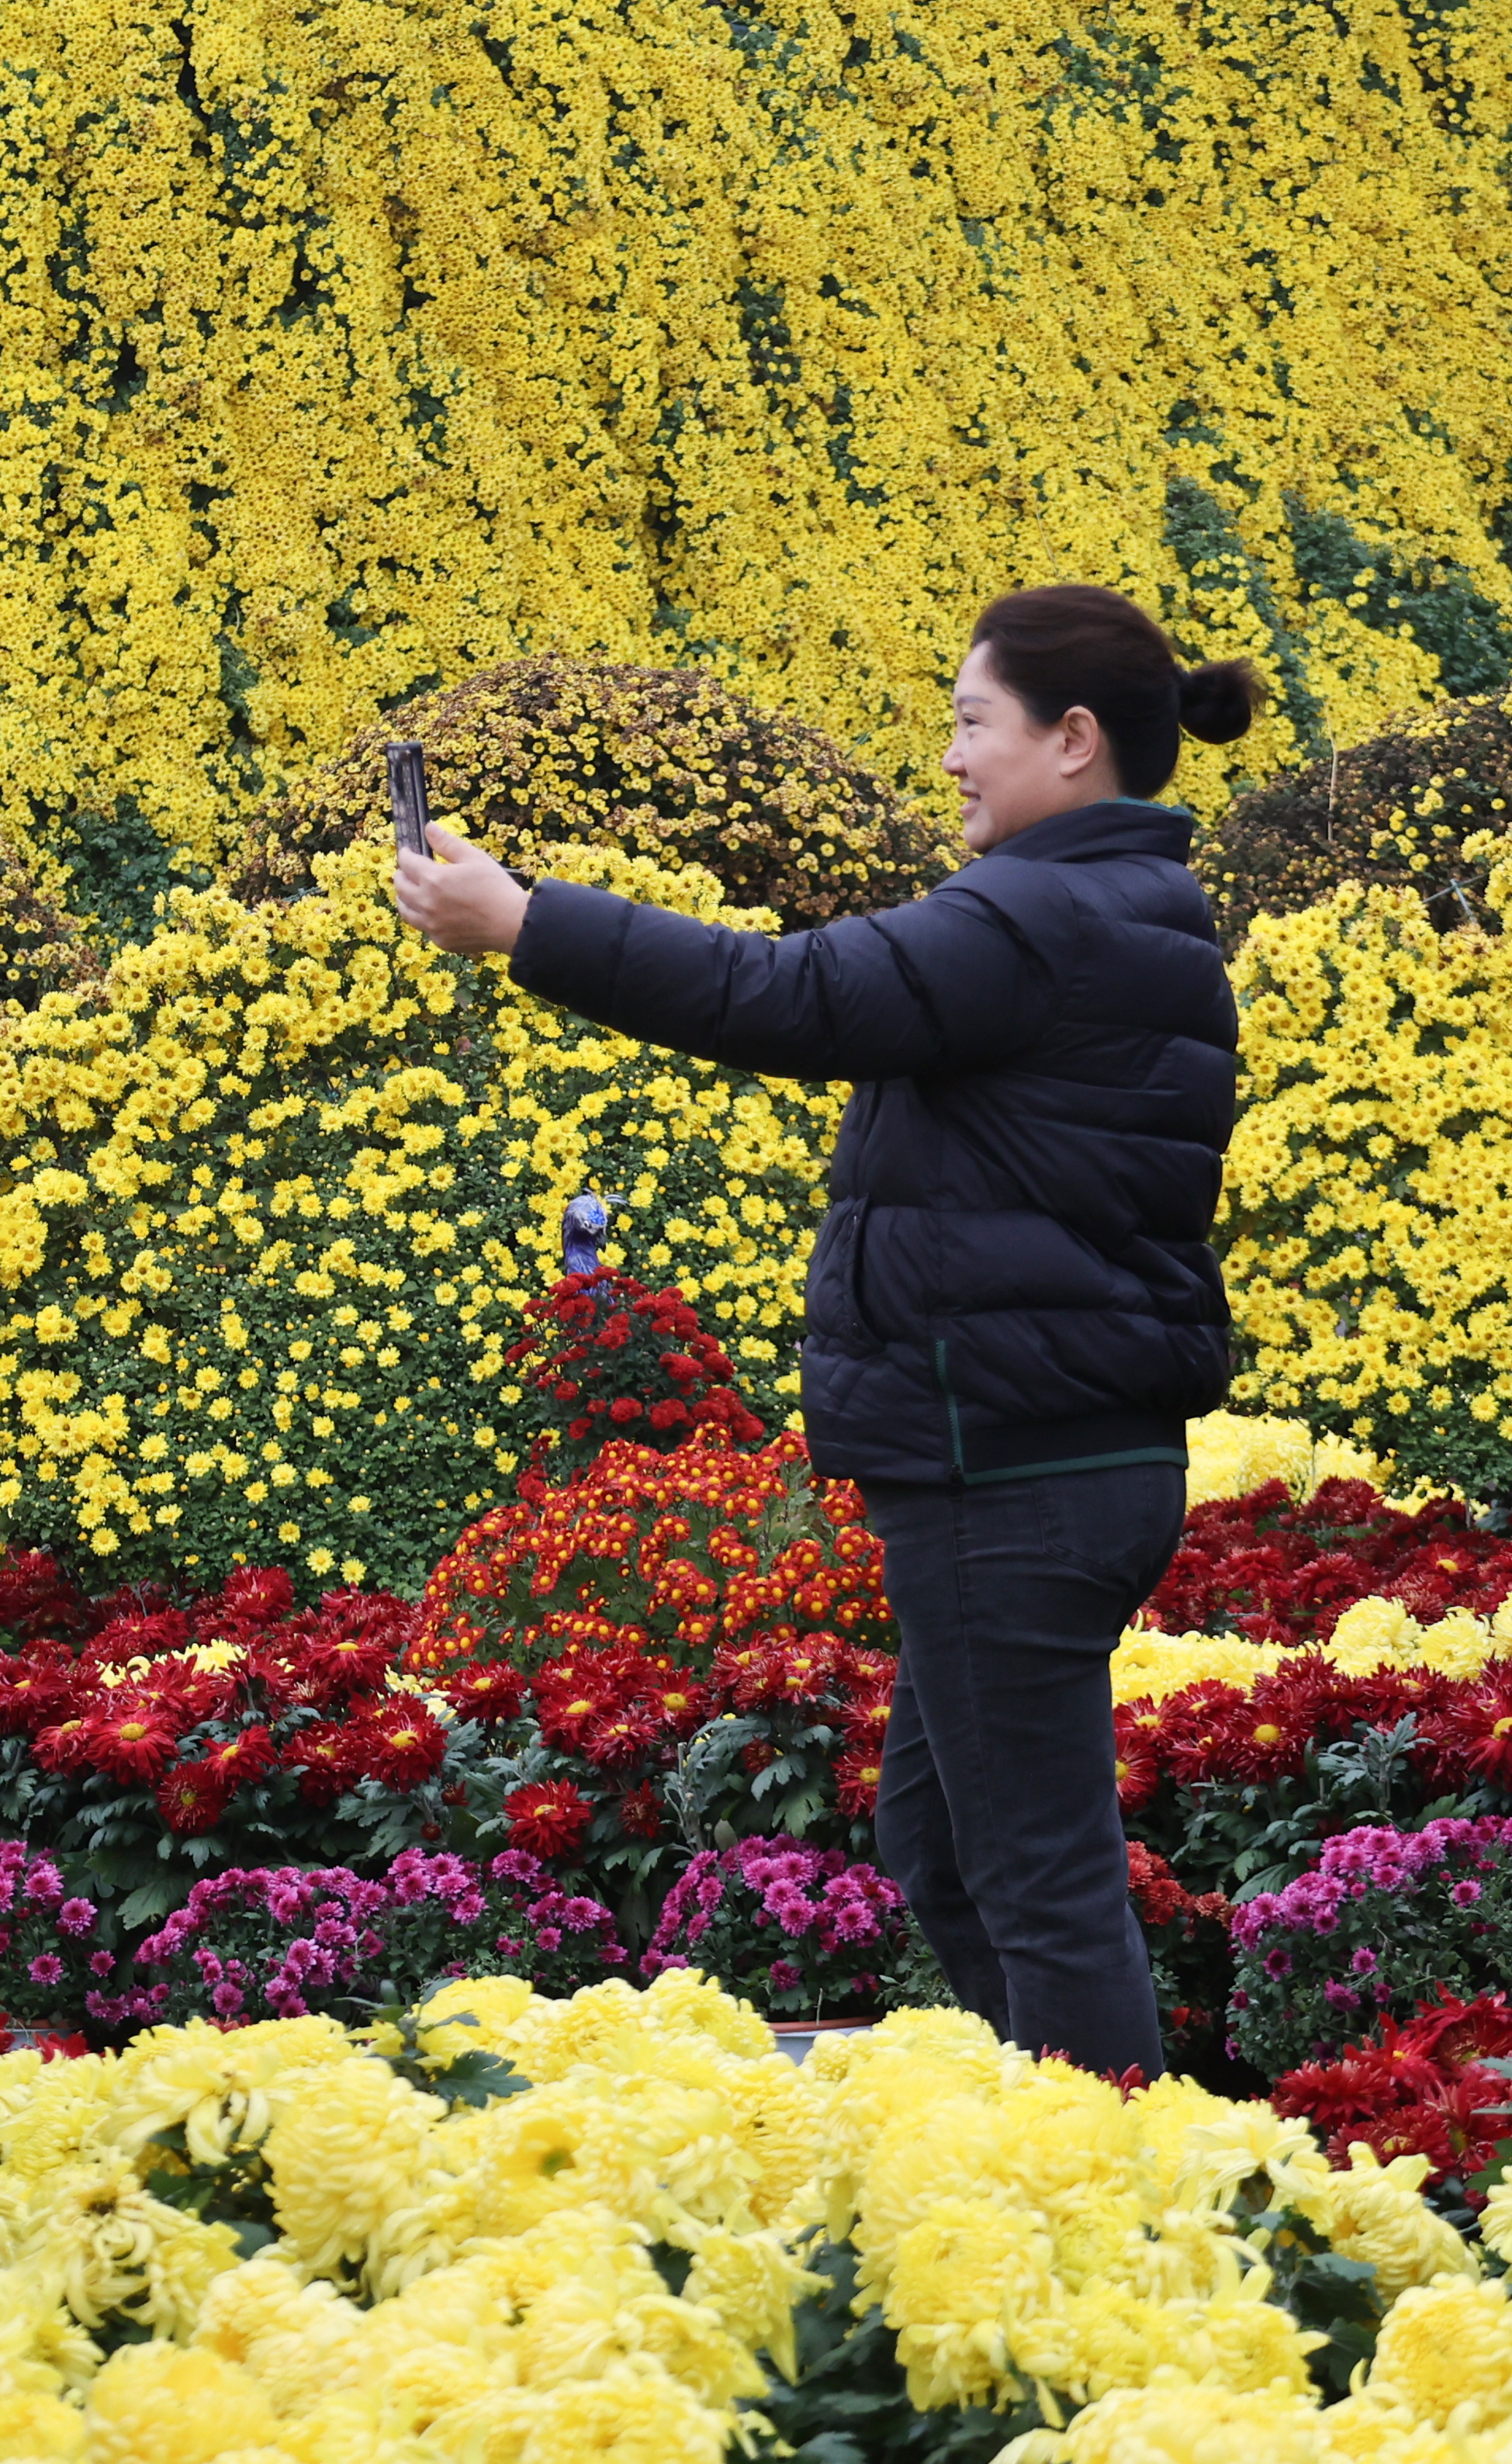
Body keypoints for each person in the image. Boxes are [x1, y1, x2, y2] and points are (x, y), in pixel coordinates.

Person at [392, 587, 1259, 2077]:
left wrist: (530, 923)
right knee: (946, 1844)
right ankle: (1049, 2129)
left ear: (1073, 738)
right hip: (1029, 1460)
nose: (949, 760)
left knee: (1035, 1878)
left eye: (971, 722)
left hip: (1017, 1473)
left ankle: (1116, 2190)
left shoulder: (1042, 916)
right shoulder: (1109, 906)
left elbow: (785, 993)